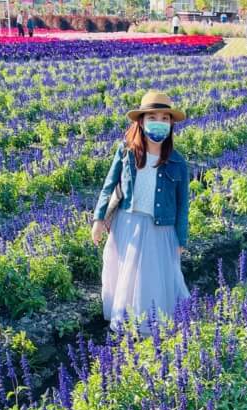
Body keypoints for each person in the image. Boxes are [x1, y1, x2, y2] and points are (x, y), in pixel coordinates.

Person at [92, 90, 190, 336]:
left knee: (152, 281)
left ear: (171, 124)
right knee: (126, 277)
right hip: (128, 224)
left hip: (160, 229)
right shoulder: (126, 152)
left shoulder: (178, 163)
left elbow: (182, 205)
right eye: (153, 117)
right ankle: (127, 325)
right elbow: (108, 185)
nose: (159, 123)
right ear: (141, 121)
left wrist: (181, 238)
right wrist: (98, 219)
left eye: (165, 118)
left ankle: (151, 329)